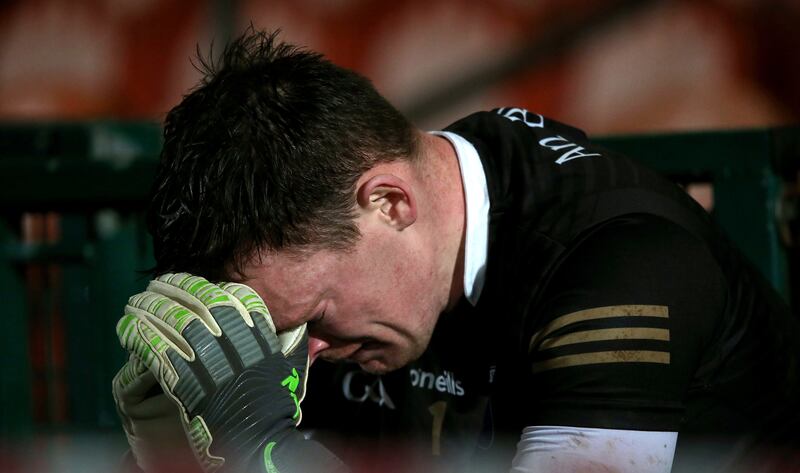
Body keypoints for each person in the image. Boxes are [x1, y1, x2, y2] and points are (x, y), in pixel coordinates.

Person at [113, 28, 800, 473]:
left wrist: (264, 450)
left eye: (313, 315)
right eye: (280, 327)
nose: (304, 352)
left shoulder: (619, 266)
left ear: (389, 203)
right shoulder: (380, 282)